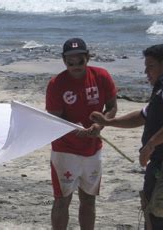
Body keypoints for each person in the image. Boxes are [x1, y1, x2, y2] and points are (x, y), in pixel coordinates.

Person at [90, 44, 163, 229]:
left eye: (150, 66)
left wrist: (151, 144)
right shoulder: (162, 88)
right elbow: (142, 116)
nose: (145, 72)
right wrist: (109, 121)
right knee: (156, 215)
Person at [45, 38, 118, 229]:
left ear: (87, 57)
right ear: (64, 61)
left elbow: (111, 107)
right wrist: (74, 128)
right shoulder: (56, 84)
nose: (75, 66)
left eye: (80, 61)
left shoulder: (101, 76)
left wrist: (100, 125)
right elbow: (53, 120)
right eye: (70, 62)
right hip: (65, 151)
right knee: (62, 200)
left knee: (89, 200)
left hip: (93, 150)